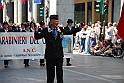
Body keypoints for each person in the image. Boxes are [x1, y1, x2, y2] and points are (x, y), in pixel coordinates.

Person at [34, 15, 79, 83]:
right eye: (56, 21)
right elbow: (37, 37)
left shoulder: (60, 29)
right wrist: (36, 31)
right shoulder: (46, 30)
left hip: (59, 55)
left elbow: (69, 32)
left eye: (58, 21)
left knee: (60, 73)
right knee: (50, 75)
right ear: (51, 22)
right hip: (50, 55)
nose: (57, 23)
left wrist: (78, 29)